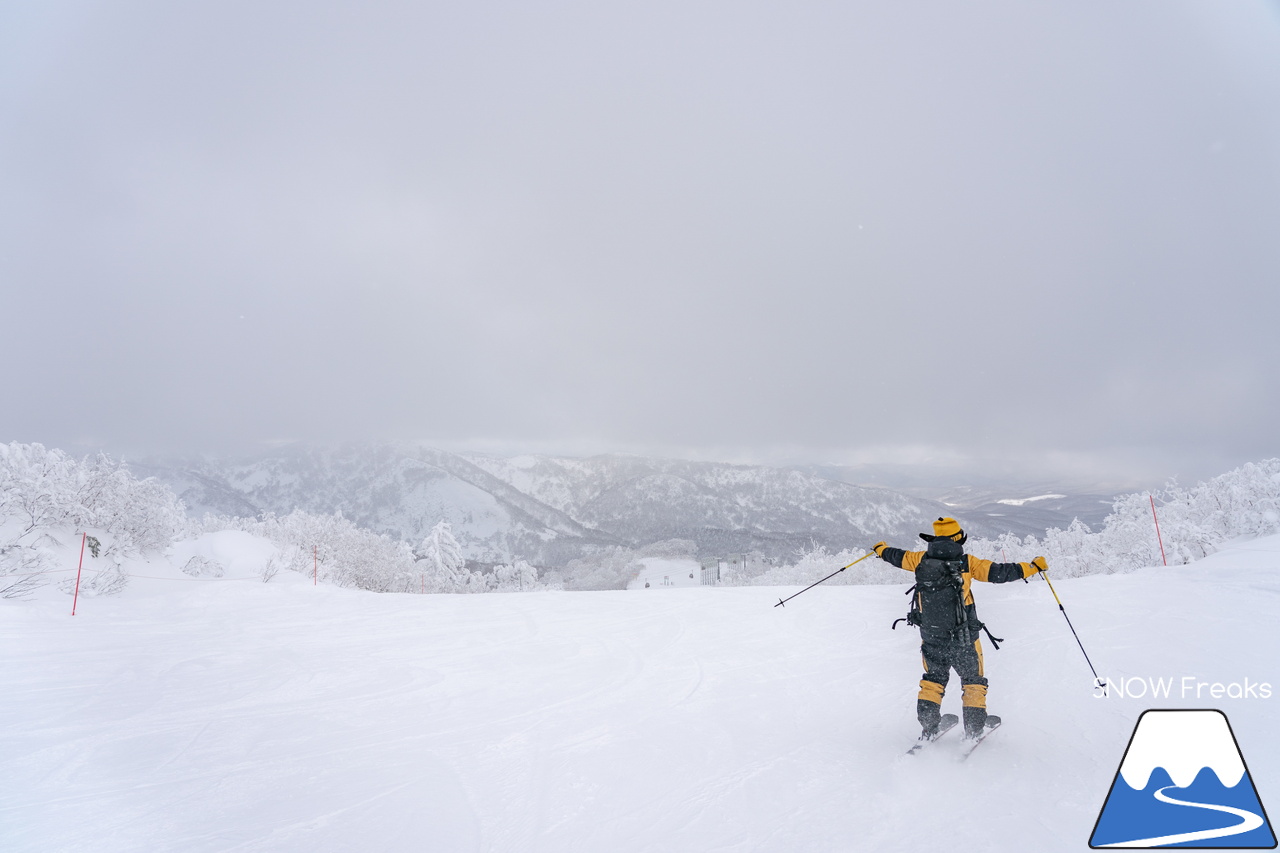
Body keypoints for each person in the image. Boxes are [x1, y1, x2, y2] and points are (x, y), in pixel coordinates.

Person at [871, 517, 1047, 741]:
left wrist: (880, 549)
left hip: (931, 634)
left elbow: (895, 556)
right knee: (973, 680)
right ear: (958, 539)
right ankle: (974, 729)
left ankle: (929, 727)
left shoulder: (919, 559)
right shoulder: (967, 563)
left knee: (933, 678)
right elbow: (1001, 573)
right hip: (964, 637)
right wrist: (1033, 567)